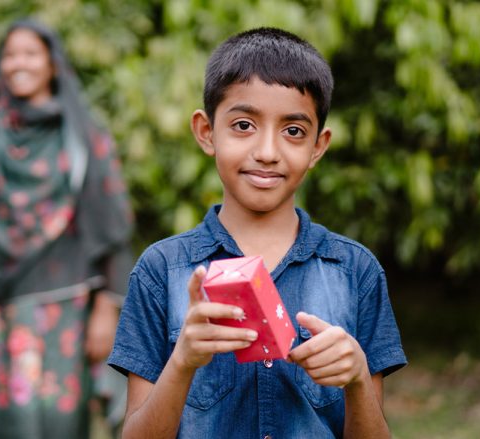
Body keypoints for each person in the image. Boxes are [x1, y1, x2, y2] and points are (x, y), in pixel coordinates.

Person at [107, 28, 407, 438]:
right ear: (207, 132)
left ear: (318, 146)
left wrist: (356, 379)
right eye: (244, 125)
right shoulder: (162, 270)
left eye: (293, 131)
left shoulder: (355, 271)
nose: (267, 151)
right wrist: (182, 361)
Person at [0, 19, 134, 439]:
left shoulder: (82, 130)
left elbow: (110, 221)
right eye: (9, 55)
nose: (18, 64)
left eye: (30, 53)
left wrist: (106, 308)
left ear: (52, 63)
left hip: (62, 304)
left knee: (57, 422)